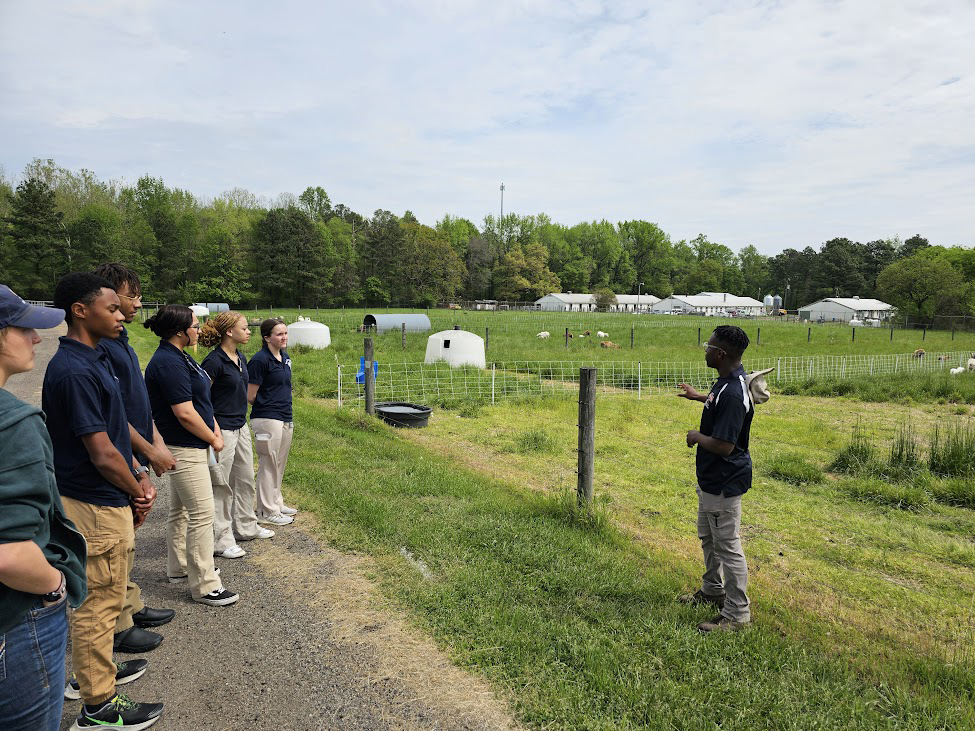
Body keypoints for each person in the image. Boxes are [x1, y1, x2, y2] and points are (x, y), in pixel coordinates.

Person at [42, 273, 163, 728]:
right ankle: (98, 707)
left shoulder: (95, 358)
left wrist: (134, 474)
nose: (121, 314)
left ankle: (94, 676)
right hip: (93, 502)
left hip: (108, 493)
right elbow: (100, 450)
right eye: (111, 308)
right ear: (79, 310)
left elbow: (115, 429)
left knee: (108, 597)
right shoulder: (73, 370)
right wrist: (140, 487)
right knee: (96, 603)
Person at [0, 286, 88, 730]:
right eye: (25, 327)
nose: (36, 338)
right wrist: (54, 588)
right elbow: (9, 553)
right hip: (15, 620)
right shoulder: (13, 423)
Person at [93, 263, 176, 654]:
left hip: (136, 450)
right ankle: (118, 624)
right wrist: (145, 454)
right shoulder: (102, 346)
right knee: (116, 540)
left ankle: (130, 603)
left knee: (127, 537)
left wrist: (155, 442)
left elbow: (137, 401)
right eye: (132, 295)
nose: (138, 302)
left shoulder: (121, 338)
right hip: (122, 455)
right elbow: (114, 415)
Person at [143, 305, 239, 606]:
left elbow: (199, 400)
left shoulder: (180, 356)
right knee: (202, 513)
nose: (199, 330)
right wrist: (213, 436)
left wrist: (213, 427)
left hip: (192, 444)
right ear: (179, 331)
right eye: (195, 326)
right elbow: (184, 413)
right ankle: (205, 584)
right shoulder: (168, 363)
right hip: (183, 447)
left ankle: (180, 567)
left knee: (182, 510)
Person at [677, 325, 754, 633]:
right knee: (709, 538)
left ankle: (737, 614)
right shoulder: (724, 383)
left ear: (720, 354)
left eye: (708, 347)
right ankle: (713, 590)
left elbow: (724, 446)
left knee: (727, 546)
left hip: (724, 480)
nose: (705, 350)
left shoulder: (734, 393)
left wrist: (697, 436)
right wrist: (699, 398)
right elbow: (717, 401)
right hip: (711, 479)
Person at [199, 311, 275, 558]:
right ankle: (221, 540)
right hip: (222, 430)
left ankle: (245, 527)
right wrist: (212, 430)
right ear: (229, 332)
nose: (249, 331)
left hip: (240, 427)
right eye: (245, 327)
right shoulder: (214, 362)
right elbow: (200, 398)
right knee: (221, 485)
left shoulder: (240, 357)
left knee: (244, 480)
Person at [249, 318, 298, 525]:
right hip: (267, 417)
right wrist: (268, 404)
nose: (284, 337)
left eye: (285, 333)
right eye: (279, 334)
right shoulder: (260, 360)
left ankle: (276, 502)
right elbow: (250, 395)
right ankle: (266, 511)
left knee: (279, 463)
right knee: (268, 464)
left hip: (285, 416)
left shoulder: (284, 358)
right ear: (266, 337)